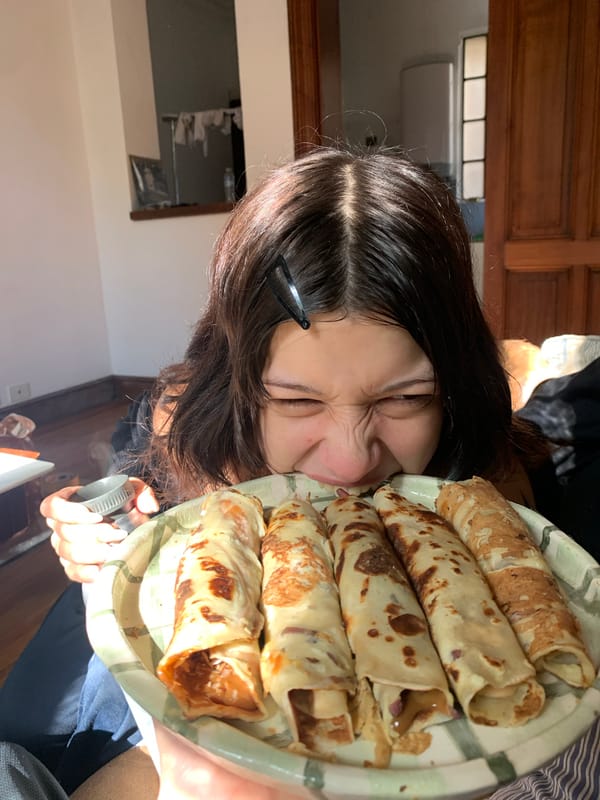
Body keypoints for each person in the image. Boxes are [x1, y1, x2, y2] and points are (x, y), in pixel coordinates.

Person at [3, 147, 596, 798]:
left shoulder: (496, 489)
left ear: (454, 382)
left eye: (403, 398)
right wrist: (91, 526)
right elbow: (140, 524)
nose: (349, 461)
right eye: (296, 401)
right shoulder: (190, 431)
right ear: (235, 384)